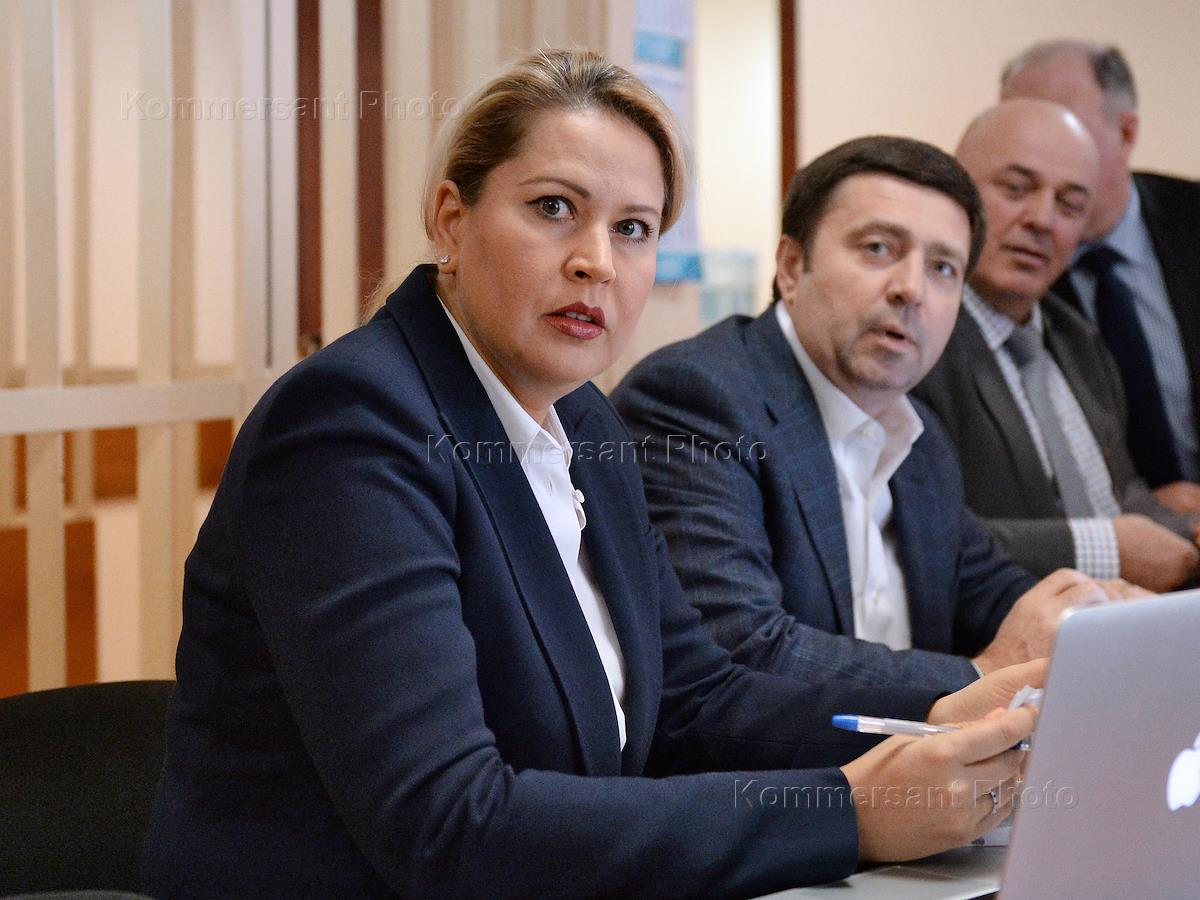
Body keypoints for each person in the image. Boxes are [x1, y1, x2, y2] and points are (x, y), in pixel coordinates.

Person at [141, 51, 1040, 898]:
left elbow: (695, 699)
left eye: (633, 229)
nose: (596, 262)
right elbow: (448, 822)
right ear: (451, 220)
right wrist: (846, 814)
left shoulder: (582, 421)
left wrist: (943, 709)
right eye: (553, 208)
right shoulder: (352, 423)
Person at [612, 135, 1122, 693]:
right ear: (792, 267)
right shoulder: (698, 399)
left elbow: (989, 591)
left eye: (943, 268)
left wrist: (1101, 617)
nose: (911, 290)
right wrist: (980, 677)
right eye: (878, 248)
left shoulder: (919, 438)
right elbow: (741, 650)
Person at [913, 99, 1199, 591]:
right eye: (1016, 188)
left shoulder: (1078, 338)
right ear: (956, 193)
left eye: (1070, 205)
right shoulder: (914, 341)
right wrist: (1103, 548)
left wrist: (1184, 528)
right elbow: (916, 532)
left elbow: (1117, 491)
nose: (1043, 220)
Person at [1001, 40, 1200, 509]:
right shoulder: (1004, 265)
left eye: (1063, 127)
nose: (1036, 150)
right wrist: (1140, 508)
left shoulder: (1190, 218)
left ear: (1126, 133)